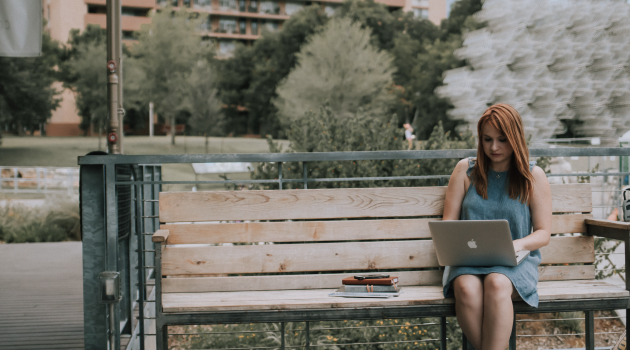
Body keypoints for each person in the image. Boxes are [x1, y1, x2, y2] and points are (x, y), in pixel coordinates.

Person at [441, 103, 552, 350]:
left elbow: (544, 233)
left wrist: (516, 244)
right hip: (468, 262)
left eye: (502, 139)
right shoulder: (464, 171)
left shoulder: (533, 176)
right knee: (465, 287)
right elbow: (448, 224)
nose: (494, 147)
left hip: (515, 263)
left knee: (496, 282)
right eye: (487, 139)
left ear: (515, 138)